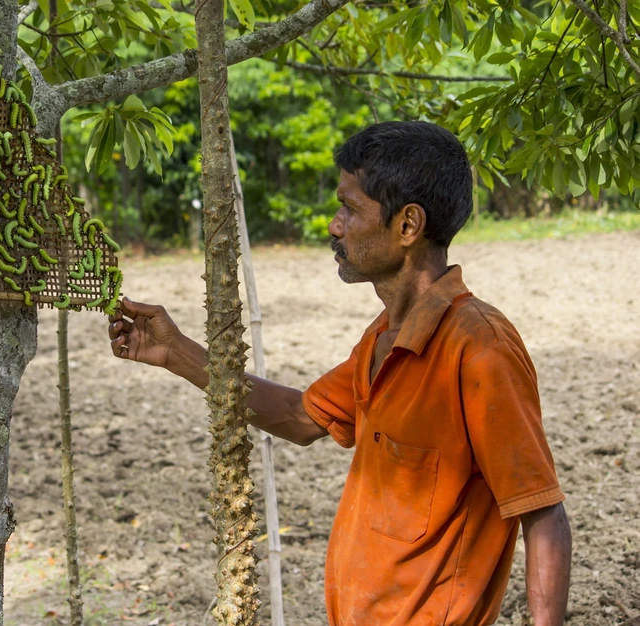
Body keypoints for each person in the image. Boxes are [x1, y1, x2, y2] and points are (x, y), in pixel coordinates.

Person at [106, 121, 572, 625]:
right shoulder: (383, 338)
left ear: (408, 226)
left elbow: (542, 512)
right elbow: (298, 416)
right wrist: (176, 352)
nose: (334, 226)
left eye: (349, 208)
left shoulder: (480, 348)